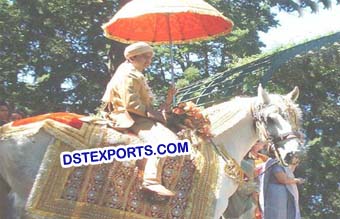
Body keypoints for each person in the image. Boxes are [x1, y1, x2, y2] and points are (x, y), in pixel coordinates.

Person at [101, 42, 176, 197]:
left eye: (150, 57)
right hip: (129, 117)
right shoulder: (129, 74)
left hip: (137, 115)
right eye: (145, 57)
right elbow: (132, 105)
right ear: (132, 57)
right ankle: (151, 181)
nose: (148, 61)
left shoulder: (135, 73)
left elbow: (145, 105)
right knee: (168, 142)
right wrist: (156, 116)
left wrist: (168, 100)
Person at [259, 151, 304, 219]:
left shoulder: (283, 166)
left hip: (281, 194)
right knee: (275, 214)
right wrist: (297, 180)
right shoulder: (276, 165)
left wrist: (294, 164)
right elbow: (283, 179)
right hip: (276, 193)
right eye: (295, 157)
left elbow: (289, 172)